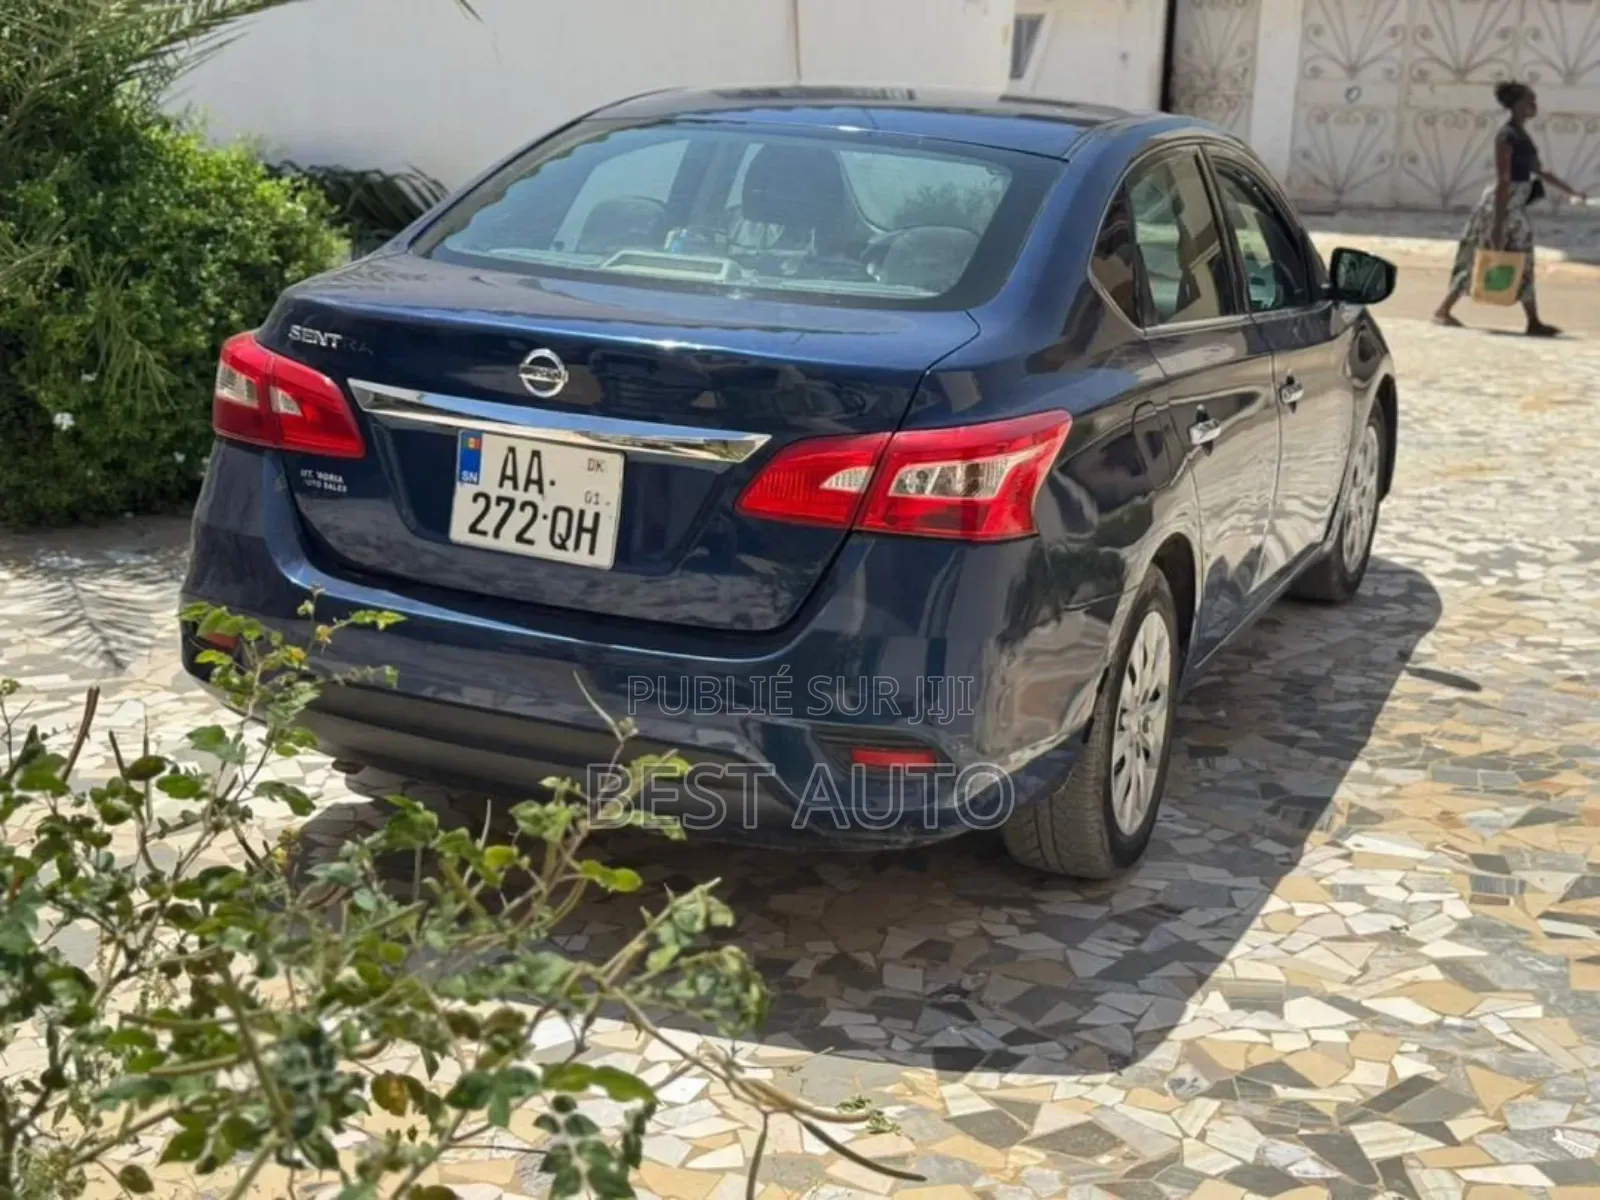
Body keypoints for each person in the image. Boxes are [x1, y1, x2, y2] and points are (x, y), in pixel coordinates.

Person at [1434, 81, 1587, 336]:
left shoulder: (1522, 136)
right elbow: (1504, 179)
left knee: (1522, 259)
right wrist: (1497, 222)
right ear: (1516, 104)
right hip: (1501, 205)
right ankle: (1443, 310)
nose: (1534, 105)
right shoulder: (1506, 136)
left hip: (1513, 206)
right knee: (1481, 255)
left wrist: (1571, 191)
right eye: (1530, 101)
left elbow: (1539, 170)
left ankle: (1533, 321)